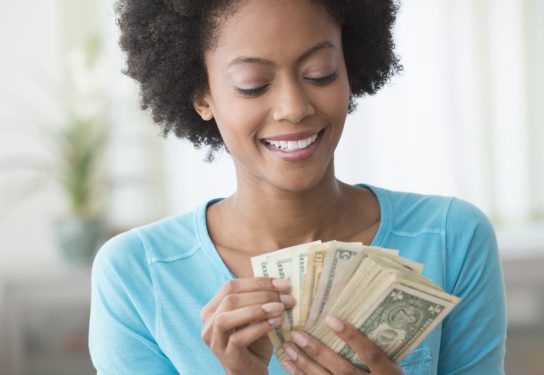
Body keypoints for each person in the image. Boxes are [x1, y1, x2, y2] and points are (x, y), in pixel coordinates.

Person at [88, 0, 507, 374]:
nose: (294, 108)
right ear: (202, 95)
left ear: (350, 70)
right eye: (253, 84)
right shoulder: (135, 275)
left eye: (319, 74)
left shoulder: (452, 238)